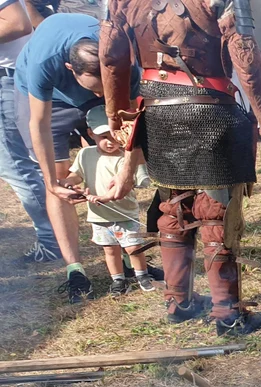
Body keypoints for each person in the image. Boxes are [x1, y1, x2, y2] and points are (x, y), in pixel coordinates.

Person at [100, 0, 261, 334]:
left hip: (155, 111)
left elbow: (111, 57)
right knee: (217, 213)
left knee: (174, 208)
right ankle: (227, 315)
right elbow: (247, 61)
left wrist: (116, 116)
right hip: (211, 107)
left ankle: (179, 302)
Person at [14, 14, 120, 302]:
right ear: (71, 68)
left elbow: (133, 111)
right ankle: (75, 270)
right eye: (94, 87)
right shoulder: (43, 63)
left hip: (101, 73)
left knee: (111, 157)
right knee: (60, 178)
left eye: (102, 86)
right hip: (49, 99)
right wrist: (51, 182)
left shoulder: (117, 45)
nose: (99, 93)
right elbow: (39, 124)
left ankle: (123, 258)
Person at [65, 106, 155, 296]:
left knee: (133, 248)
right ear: (90, 134)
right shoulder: (85, 154)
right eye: (103, 136)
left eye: (113, 135)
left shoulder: (128, 156)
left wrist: (104, 197)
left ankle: (142, 275)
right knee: (110, 250)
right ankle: (118, 280)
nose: (110, 141)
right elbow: (75, 175)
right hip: (99, 217)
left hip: (125, 213)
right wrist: (68, 183)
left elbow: (130, 184)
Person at [0, 0, 58, 264]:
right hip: (15, 75)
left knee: (15, 165)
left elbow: (18, 24)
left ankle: (52, 241)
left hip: (6, 79)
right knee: (23, 163)